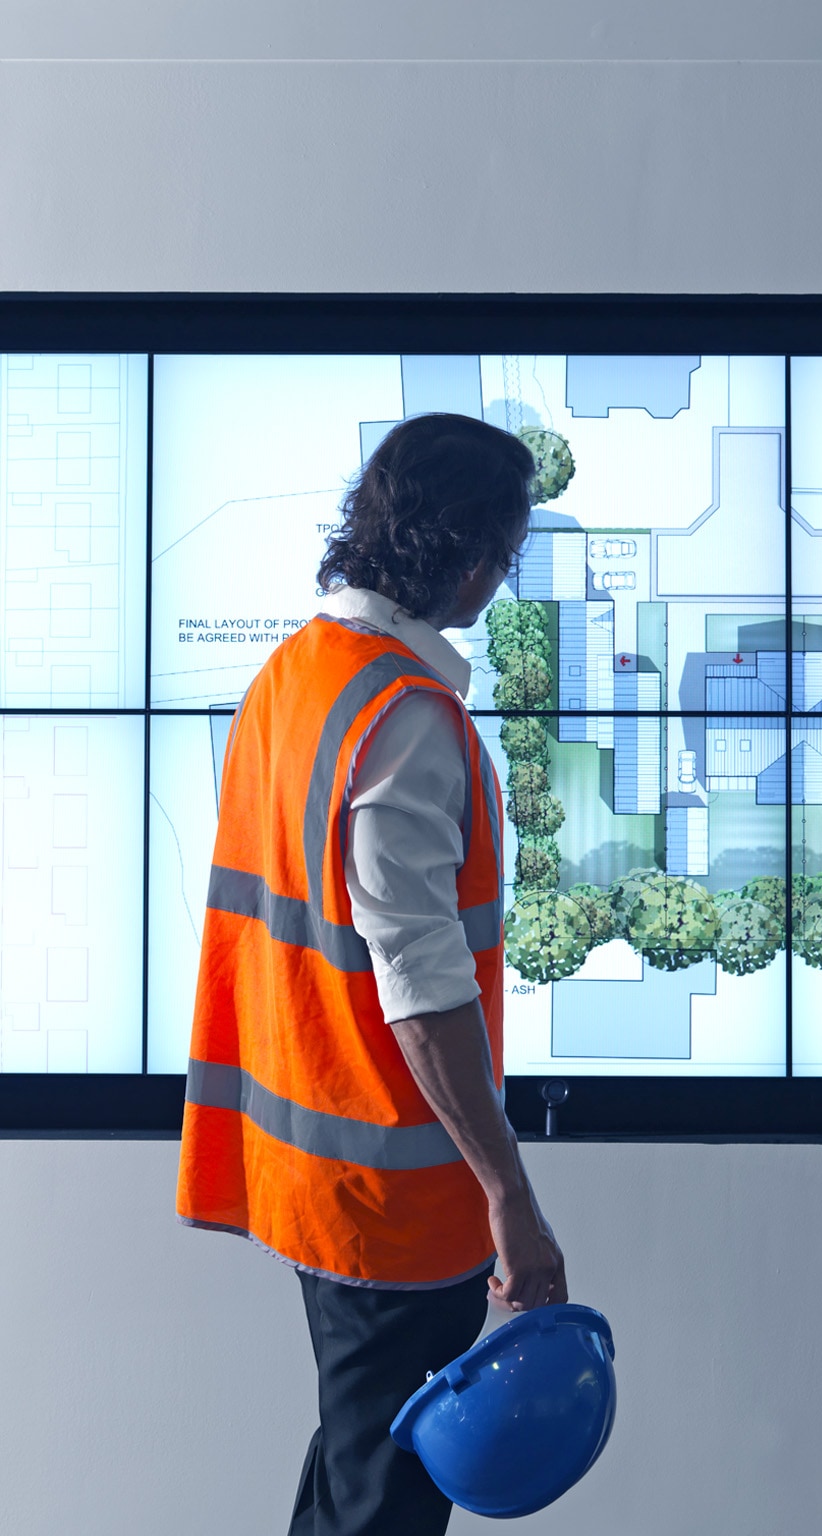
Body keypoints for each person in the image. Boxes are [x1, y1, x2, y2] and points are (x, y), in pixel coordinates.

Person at [177, 413, 566, 1536]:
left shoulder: (299, 673)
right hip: (396, 1201)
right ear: (473, 552)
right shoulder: (403, 717)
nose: (501, 575)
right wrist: (511, 1198)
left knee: (357, 1462)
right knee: (383, 1502)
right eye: (506, 551)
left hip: (313, 1172)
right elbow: (421, 982)